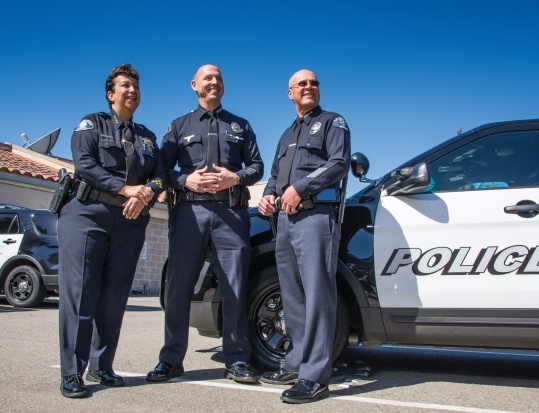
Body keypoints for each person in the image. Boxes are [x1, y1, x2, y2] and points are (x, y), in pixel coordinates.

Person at [148, 64, 264, 384]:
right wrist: (187, 180)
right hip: (189, 214)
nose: (215, 82)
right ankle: (171, 360)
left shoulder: (240, 125)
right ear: (194, 84)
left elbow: (256, 167)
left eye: (219, 78)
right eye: (208, 78)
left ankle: (237, 360)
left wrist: (234, 177)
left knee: (235, 288)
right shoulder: (178, 126)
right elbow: (162, 170)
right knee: (179, 289)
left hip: (231, 215)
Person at [57, 63, 166, 398]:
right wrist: (125, 189)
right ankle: (73, 373)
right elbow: (85, 165)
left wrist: (146, 192)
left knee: (114, 298)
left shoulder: (147, 136)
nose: (132, 91)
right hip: (88, 216)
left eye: (135, 86)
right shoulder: (92, 124)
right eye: (124, 86)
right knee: (81, 295)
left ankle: (102, 366)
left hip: (130, 223)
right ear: (111, 94)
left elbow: (162, 175)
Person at [257, 69, 351, 403]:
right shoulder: (286, 135)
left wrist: (301, 188)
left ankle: (315, 376)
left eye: (314, 83)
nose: (309, 87)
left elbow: (339, 163)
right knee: (293, 295)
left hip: (315, 217)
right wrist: (268, 195)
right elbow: (274, 176)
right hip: (285, 222)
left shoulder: (331, 122)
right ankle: (296, 362)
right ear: (290, 93)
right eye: (302, 84)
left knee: (317, 295)